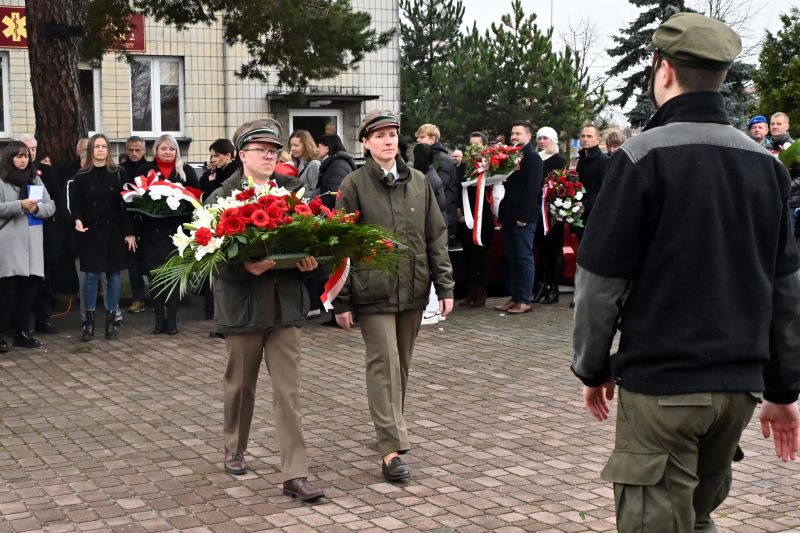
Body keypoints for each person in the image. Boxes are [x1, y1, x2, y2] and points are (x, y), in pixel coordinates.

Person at [571, 13, 800, 532]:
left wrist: (591, 367)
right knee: (696, 519)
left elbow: (598, 285)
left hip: (663, 385)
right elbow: (786, 290)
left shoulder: (639, 157)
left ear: (664, 70)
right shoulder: (766, 166)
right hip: (737, 390)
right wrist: (784, 390)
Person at [205, 119, 324, 503]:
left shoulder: (294, 193)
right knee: (241, 385)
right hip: (242, 306)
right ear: (242, 155)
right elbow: (205, 254)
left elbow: (314, 241)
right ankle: (234, 446)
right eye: (261, 149)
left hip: (286, 304)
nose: (269, 155)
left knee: (288, 392)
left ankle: (295, 473)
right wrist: (243, 266)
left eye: (274, 150)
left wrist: (311, 261)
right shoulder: (221, 196)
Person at [334, 110, 455, 482]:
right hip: (372, 291)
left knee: (400, 367)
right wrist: (342, 300)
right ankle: (390, 450)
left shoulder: (419, 182)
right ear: (366, 143)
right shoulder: (353, 184)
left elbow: (435, 236)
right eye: (380, 135)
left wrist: (445, 286)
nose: (388, 141)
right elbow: (341, 242)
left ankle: (391, 434)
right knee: (383, 365)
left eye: (392, 135)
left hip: (414, 290)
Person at [69, 134, 136, 342]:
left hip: (114, 232)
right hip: (91, 232)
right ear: (90, 151)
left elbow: (128, 205)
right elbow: (76, 205)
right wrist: (77, 220)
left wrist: (130, 232)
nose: (100, 150)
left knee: (114, 276)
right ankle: (88, 323)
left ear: (108, 150)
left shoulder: (119, 173)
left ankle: (111, 322)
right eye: (96, 146)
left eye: (103, 146)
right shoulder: (81, 176)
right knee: (91, 277)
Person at [137, 135, 199, 335]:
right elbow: (133, 201)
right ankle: (158, 321)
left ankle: (171, 321)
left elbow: (196, 199)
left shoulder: (186, 171)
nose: (167, 152)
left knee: (174, 277)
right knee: (155, 277)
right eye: (163, 148)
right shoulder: (145, 171)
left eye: (171, 149)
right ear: (156, 150)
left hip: (178, 234)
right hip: (151, 233)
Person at [0, 141, 55, 353]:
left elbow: (51, 206)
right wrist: (18, 205)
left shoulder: (35, 179)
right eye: (18, 156)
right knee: (8, 296)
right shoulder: (2, 180)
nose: (23, 160)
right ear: (9, 158)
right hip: (10, 246)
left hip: (32, 247)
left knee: (28, 294)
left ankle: (21, 333)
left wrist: (36, 209)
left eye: (26, 156)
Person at [494, 120, 543, 314]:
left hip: (523, 216)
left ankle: (525, 299)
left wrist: (523, 216)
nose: (514, 137)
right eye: (512, 133)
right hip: (509, 215)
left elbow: (532, 189)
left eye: (518, 134)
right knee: (512, 257)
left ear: (528, 136)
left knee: (524, 257)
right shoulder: (510, 156)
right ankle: (515, 297)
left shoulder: (533, 158)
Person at [17, 134, 61, 335]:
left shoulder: (45, 172)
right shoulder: (8, 174)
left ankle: (43, 318)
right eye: (27, 149)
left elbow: (55, 202)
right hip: (17, 235)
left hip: (43, 232)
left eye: (34, 149)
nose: (31, 153)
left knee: (44, 279)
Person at [198, 139, 240, 320]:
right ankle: (214, 313)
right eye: (211, 156)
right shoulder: (220, 172)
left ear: (228, 156)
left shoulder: (233, 173)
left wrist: (212, 180)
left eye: (216, 156)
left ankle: (220, 314)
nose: (212, 159)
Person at [412, 142, 448, 325]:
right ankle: (432, 308)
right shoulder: (429, 176)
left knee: (432, 269)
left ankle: (433, 309)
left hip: (430, 229)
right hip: (432, 226)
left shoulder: (427, 179)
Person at [457, 131, 493, 308]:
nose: (473, 148)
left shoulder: (490, 165)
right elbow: (459, 188)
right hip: (467, 216)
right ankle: (470, 291)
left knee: (482, 256)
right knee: (468, 257)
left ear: (484, 147)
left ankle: (481, 291)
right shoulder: (466, 166)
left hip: (483, 217)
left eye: (477, 145)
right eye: (470, 145)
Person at [532, 127, 567, 305]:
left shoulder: (558, 159)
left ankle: (554, 288)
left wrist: (555, 211)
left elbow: (559, 185)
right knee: (543, 251)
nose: (542, 141)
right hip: (540, 211)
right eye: (539, 138)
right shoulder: (538, 158)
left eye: (545, 138)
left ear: (553, 140)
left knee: (555, 251)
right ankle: (542, 286)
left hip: (553, 212)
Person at [120, 136, 150, 314]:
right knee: (133, 264)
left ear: (144, 150)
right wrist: (128, 230)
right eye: (131, 150)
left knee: (153, 262)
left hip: (149, 221)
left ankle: (157, 297)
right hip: (129, 221)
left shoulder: (150, 169)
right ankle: (138, 298)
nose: (134, 153)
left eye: (137, 150)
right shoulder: (121, 170)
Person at [415, 124, 458, 245]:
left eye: (422, 137)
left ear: (432, 138)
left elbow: (437, 187)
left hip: (443, 216)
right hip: (439, 214)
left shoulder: (441, 159)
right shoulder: (434, 157)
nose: (418, 140)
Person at [576, 123, 610, 229]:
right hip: (579, 214)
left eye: (589, 136)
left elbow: (605, 190)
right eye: (583, 136)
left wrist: (585, 205)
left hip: (596, 216)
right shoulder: (581, 159)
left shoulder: (604, 161)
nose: (585, 139)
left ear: (598, 139)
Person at [317, 134, 355, 209]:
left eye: (319, 146)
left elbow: (334, 195)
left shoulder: (336, 165)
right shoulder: (335, 163)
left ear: (327, 148)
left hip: (334, 216)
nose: (316, 150)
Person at [288, 130, 320, 198]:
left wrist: (296, 195)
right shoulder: (296, 164)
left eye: (296, 145)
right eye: (291, 145)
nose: (292, 148)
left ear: (306, 146)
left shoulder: (314, 164)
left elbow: (317, 192)